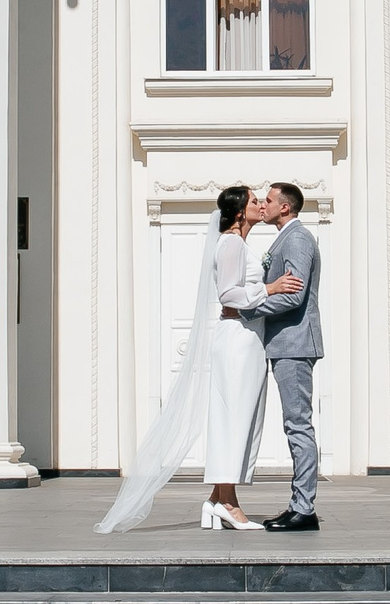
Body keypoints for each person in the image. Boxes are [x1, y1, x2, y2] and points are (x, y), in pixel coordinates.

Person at [93, 185, 303, 534]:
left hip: (247, 338)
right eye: (254, 201)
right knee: (233, 420)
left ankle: (218, 500)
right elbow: (228, 294)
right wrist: (270, 288)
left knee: (238, 418)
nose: (261, 205)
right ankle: (228, 504)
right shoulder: (232, 243)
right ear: (239, 211)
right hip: (237, 339)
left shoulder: (239, 243)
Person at [238, 182, 323, 531]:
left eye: (269, 200)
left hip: (295, 344)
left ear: (285, 208)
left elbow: (293, 296)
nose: (263, 204)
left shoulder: (298, 239)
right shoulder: (283, 239)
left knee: (298, 425)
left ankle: (304, 508)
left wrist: (247, 309)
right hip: (283, 344)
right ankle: (299, 504)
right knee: (294, 425)